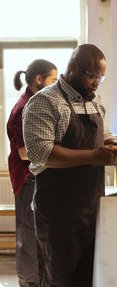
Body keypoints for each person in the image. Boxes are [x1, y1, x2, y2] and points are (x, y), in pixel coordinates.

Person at [23, 44, 117, 287]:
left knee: (89, 276)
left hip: (91, 207)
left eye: (101, 77)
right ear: (73, 68)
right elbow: (42, 153)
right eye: (92, 75)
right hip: (58, 212)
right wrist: (95, 156)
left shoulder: (95, 102)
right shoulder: (44, 102)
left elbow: (104, 136)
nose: (96, 82)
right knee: (61, 278)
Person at [7, 59, 58, 287]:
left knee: (37, 236)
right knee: (29, 237)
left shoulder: (35, 103)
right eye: (53, 81)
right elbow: (24, 152)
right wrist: (56, 149)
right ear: (39, 80)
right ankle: (30, 283)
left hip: (33, 177)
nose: (55, 87)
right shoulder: (23, 108)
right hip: (27, 179)